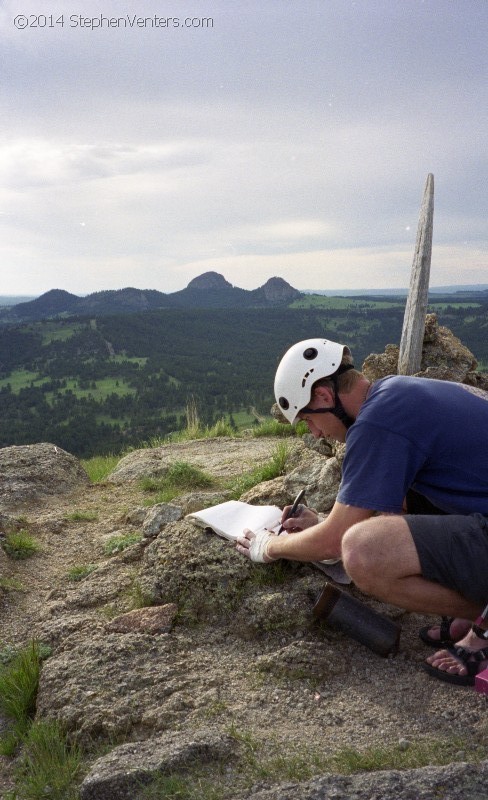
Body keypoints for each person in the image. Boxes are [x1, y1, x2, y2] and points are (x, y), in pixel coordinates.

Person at [235, 338, 488, 685]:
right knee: (396, 503)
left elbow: (336, 543)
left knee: (362, 552)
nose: (314, 432)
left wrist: (267, 546)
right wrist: (325, 524)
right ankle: (476, 608)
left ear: (325, 397)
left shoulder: (377, 423)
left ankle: (483, 616)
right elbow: (372, 516)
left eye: (309, 420)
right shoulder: (394, 393)